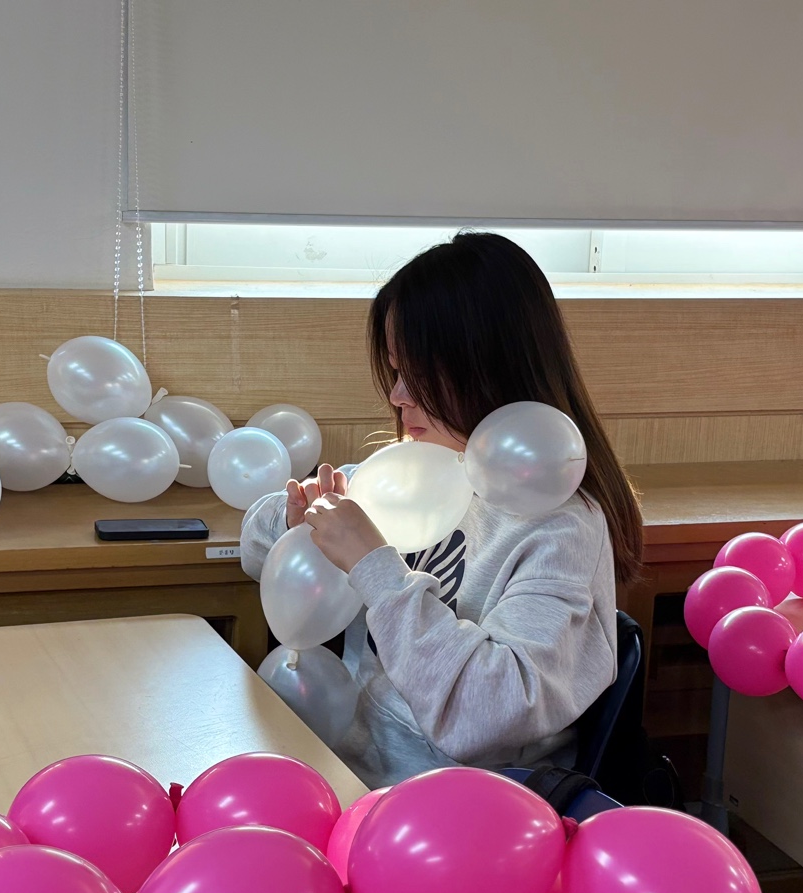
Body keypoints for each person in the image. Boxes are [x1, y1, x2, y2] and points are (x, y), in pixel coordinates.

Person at [241, 232, 641, 788]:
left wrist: (374, 569)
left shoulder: (560, 528)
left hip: (453, 804)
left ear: (491, 368)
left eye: (420, 374)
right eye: (395, 370)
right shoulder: (412, 468)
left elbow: (489, 713)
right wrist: (295, 523)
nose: (398, 395)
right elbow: (253, 548)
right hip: (347, 767)